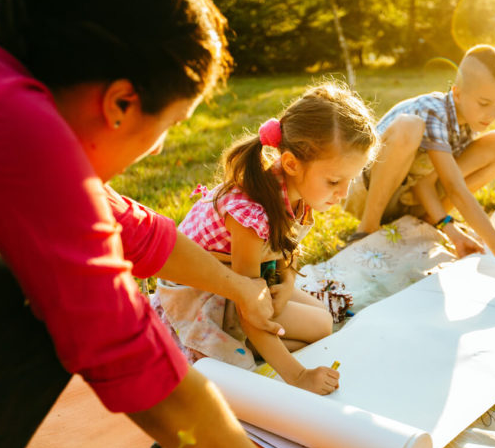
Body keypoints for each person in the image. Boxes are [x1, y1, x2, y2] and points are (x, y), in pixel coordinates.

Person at [0, 0, 282, 448]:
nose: (159, 149)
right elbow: (139, 366)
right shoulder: (14, 124)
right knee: (14, 300)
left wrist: (238, 288)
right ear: (121, 102)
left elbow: (133, 231)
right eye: (171, 125)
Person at [154, 82, 377, 396]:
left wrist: (286, 283)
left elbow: (285, 247)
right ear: (290, 164)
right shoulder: (252, 216)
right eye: (334, 181)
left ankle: (256, 344)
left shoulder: (296, 192)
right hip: (206, 293)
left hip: (250, 275)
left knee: (322, 322)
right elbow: (247, 303)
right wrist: (298, 376)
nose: (344, 193)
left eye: (351, 179)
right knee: (317, 327)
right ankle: (231, 345)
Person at [343, 44, 495, 286]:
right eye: (484, 103)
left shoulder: (467, 123)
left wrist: (450, 229)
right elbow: (454, 187)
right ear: (457, 93)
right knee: (409, 126)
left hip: (409, 197)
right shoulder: (433, 110)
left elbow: (425, 184)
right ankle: (366, 231)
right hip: (367, 192)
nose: (491, 114)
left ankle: (428, 221)